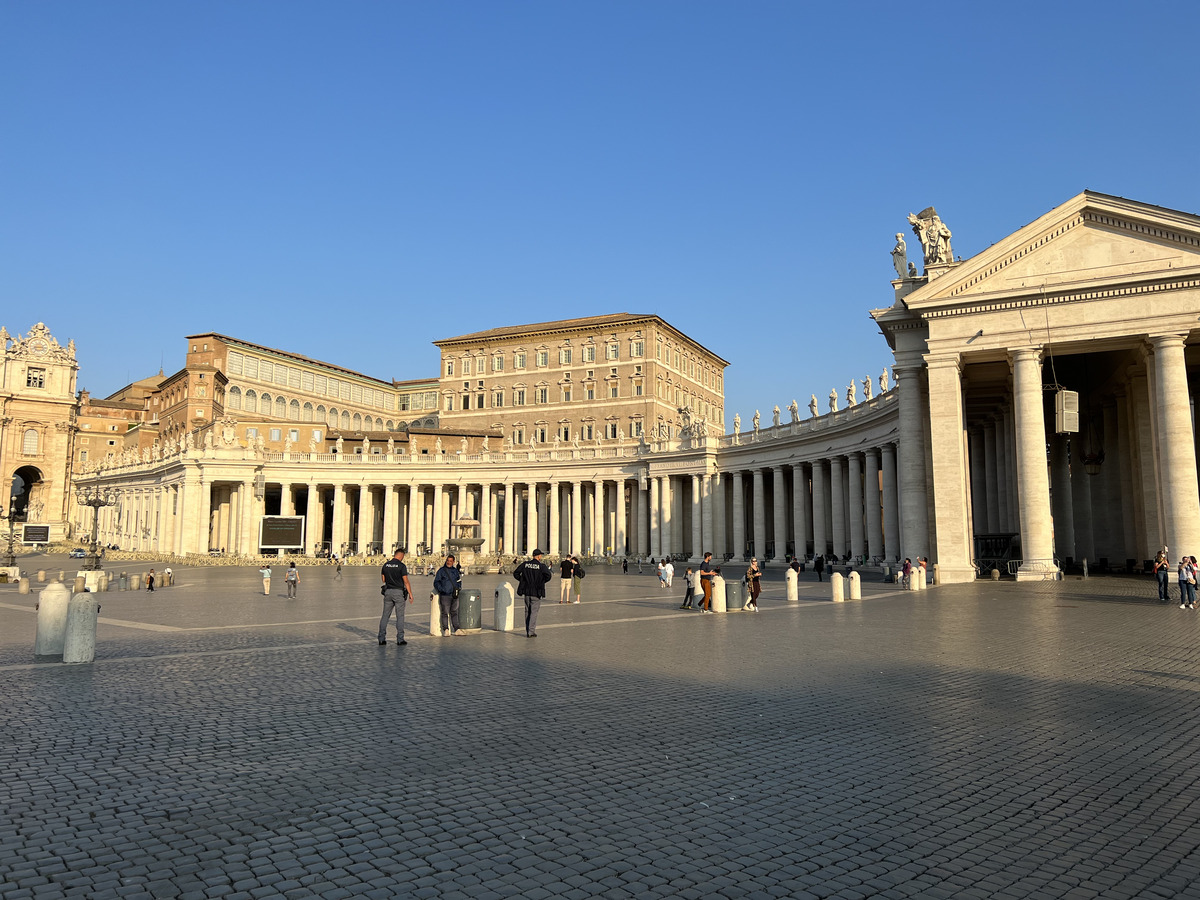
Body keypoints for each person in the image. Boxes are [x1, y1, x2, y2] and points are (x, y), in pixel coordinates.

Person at [379, 548, 414, 645]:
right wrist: (410, 593)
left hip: (388, 591)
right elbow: (406, 581)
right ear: (401, 555)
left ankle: (381, 638)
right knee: (400, 616)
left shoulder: (386, 565)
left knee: (385, 616)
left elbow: (383, 579)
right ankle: (400, 639)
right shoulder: (401, 566)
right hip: (398, 592)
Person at [513, 549, 552, 637]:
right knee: (534, 612)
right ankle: (531, 631)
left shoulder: (525, 564)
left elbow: (516, 573)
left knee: (527, 611)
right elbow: (548, 576)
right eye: (540, 555)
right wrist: (541, 582)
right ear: (538, 556)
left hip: (526, 591)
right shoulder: (541, 566)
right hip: (536, 592)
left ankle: (528, 630)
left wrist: (523, 581)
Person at [434, 554, 464, 635]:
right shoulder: (441, 571)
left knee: (454, 612)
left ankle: (457, 629)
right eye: (448, 561)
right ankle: (446, 629)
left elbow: (459, 581)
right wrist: (442, 590)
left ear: (453, 562)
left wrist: (459, 588)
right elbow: (436, 582)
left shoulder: (455, 571)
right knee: (445, 613)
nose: (449, 562)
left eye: (450, 561)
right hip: (445, 595)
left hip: (455, 594)